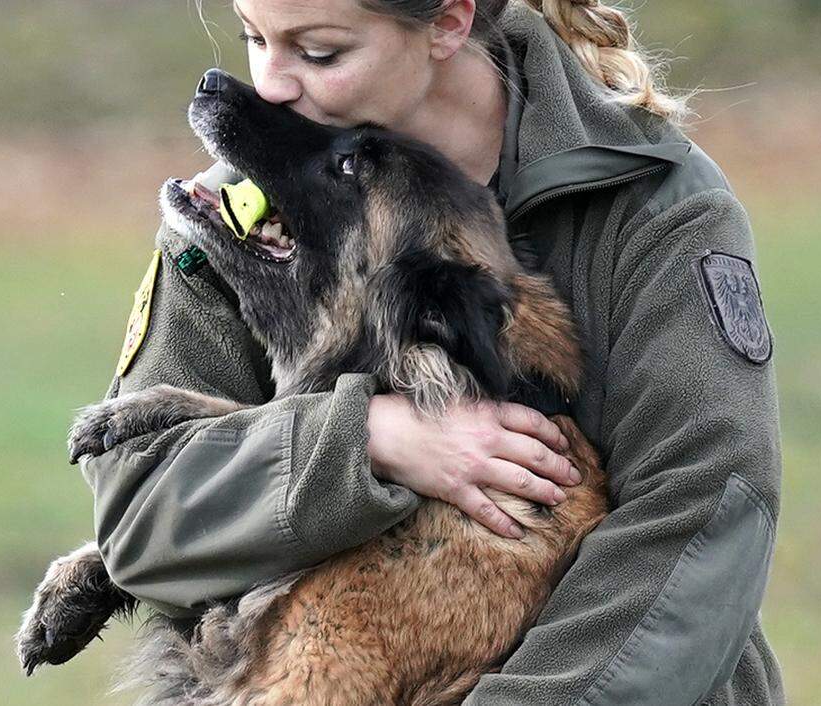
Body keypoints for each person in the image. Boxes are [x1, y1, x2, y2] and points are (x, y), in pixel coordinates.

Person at [79, 0, 783, 703]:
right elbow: (139, 522)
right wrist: (364, 439)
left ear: (448, 22)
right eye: (255, 39)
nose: (271, 86)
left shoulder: (652, 203)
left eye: (320, 52)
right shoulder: (235, 209)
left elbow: (702, 515)